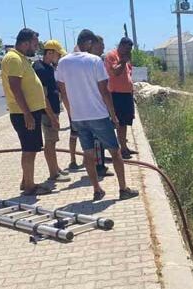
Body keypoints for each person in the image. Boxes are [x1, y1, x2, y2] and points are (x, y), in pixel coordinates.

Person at [56, 29, 139, 201]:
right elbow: (104, 91)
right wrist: (113, 115)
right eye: (96, 44)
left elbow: (62, 92)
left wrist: (71, 113)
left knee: (88, 154)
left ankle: (97, 190)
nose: (99, 48)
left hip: (79, 117)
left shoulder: (63, 62)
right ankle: (123, 189)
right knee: (115, 152)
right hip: (98, 115)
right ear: (88, 43)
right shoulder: (94, 61)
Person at [1, 28, 51, 196]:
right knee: (29, 150)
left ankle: (26, 181)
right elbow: (15, 88)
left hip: (29, 112)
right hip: (24, 114)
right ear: (25, 42)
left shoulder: (21, 58)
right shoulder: (13, 59)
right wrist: (27, 114)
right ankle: (30, 186)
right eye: (34, 44)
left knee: (31, 148)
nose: (36, 48)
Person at [32, 39, 70, 187]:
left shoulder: (48, 67)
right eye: (58, 54)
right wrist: (52, 117)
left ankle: (56, 168)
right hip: (47, 113)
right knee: (50, 142)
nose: (59, 58)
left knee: (53, 142)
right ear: (50, 52)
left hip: (52, 111)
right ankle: (53, 173)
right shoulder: (40, 69)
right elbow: (43, 95)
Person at [105, 37, 137, 159]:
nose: (129, 51)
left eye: (130, 49)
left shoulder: (127, 58)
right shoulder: (112, 56)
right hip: (116, 94)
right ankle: (118, 150)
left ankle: (124, 147)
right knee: (118, 122)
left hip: (126, 94)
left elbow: (129, 75)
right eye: (127, 48)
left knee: (125, 122)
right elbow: (115, 73)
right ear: (121, 45)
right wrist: (123, 61)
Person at [91, 36, 112, 178]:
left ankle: (100, 163)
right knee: (97, 141)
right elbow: (103, 89)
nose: (103, 48)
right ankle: (99, 167)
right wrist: (111, 111)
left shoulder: (92, 61)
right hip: (96, 109)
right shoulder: (94, 62)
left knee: (96, 142)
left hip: (93, 108)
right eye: (101, 46)